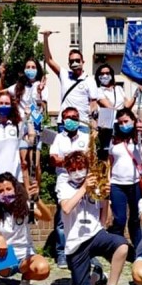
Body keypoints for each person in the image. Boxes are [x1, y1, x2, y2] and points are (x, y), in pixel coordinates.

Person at [57, 151, 129, 285]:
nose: (77, 172)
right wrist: (84, 188)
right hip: (76, 243)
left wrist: (106, 197)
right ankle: (96, 276)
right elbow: (67, 208)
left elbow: (105, 216)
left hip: (95, 233)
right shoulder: (63, 185)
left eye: (81, 168)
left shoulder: (96, 184)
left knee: (122, 245)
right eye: (73, 169)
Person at [49, 107, 90, 268]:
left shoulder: (87, 137)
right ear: (63, 120)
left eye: (74, 117)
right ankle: (61, 253)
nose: (71, 120)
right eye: (67, 117)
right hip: (64, 180)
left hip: (82, 180)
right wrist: (76, 160)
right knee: (61, 219)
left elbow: (89, 158)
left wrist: (66, 160)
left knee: (84, 215)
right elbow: (53, 160)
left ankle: (84, 251)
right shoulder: (58, 138)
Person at [0, 57, 48, 185]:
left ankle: (36, 193)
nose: (30, 70)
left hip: (35, 125)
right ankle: (27, 192)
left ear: (37, 70)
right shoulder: (18, 86)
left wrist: (39, 94)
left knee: (35, 163)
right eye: (28, 67)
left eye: (33, 67)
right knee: (24, 162)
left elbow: (43, 107)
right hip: (21, 127)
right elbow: (0, 92)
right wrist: (2, 76)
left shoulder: (41, 86)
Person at [107, 108, 142, 248]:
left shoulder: (138, 139)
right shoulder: (114, 140)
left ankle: (138, 247)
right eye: (120, 123)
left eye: (126, 121)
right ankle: (118, 246)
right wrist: (107, 180)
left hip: (135, 183)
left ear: (133, 121)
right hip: (117, 184)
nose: (123, 125)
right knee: (119, 219)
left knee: (135, 218)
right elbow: (109, 161)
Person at [42, 31, 99, 130]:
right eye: (72, 61)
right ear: (68, 64)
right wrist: (45, 38)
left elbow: (93, 104)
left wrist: (94, 123)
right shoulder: (64, 75)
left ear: (83, 62)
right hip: (64, 123)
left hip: (82, 124)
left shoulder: (90, 80)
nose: (75, 63)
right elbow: (49, 60)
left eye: (77, 60)